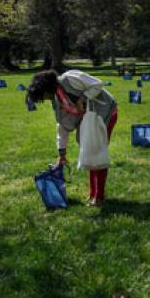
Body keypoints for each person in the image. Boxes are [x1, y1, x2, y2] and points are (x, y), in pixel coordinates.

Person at [27, 70, 118, 206]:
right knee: (89, 154)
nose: (45, 99)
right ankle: (93, 194)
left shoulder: (70, 78)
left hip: (104, 114)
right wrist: (62, 153)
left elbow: (97, 84)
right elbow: (62, 126)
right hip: (89, 120)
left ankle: (99, 197)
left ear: (47, 87)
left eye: (43, 95)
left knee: (97, 153)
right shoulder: (56, 100)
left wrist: (83, 98)